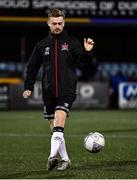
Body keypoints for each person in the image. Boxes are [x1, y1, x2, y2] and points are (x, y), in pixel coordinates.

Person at [23, 9, 94, 171]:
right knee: (55, 129)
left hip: (67, 90)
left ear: (64, 23)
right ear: (48, 23)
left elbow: (83, 65)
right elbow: (32, 67)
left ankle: (51, 157)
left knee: (58, 125)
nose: (57, 26)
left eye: (60, 23)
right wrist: (28, 86)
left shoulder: (72, 42)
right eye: (54, 23)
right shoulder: (42, 45)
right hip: (48, 91)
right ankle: (66, 160)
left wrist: (87, 53)